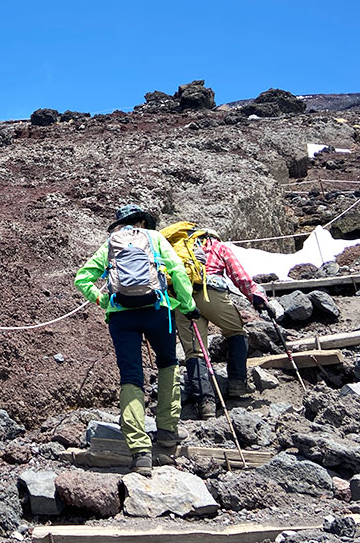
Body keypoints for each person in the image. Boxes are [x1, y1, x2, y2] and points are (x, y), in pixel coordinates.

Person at [74, 204, 199, 476]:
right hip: (157, 311)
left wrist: (103, 300)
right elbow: (178, 271)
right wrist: (187, 306)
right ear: (143, 221)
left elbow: (82, 278)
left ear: (121, 224)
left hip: (122, 317)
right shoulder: (155, 239)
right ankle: (167, 432)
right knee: (168, 364)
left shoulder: (110, 244)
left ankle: (140, 452)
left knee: (131, 376)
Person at [171, 227, 269, 418]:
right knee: (236, 332)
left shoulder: (177, 249)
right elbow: (239, 276)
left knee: (195, 351)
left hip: (183, 298)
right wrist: (255, 296)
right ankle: (237, 384)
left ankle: (205, 403)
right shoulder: (217, 246)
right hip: (212, 295)